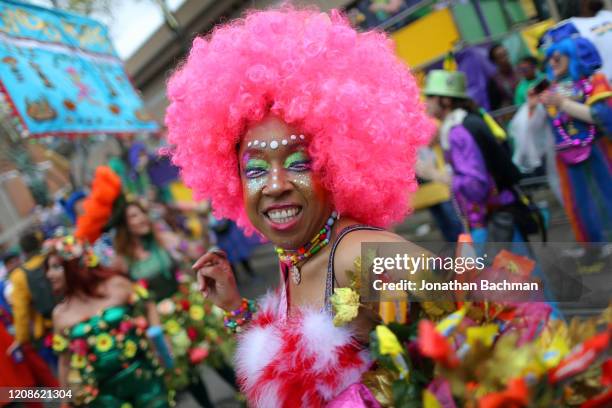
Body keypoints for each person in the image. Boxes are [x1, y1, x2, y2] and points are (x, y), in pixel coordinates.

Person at [165, 7, 437, 407]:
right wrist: (235, 309)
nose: (275, 186)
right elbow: (300, 372)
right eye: (255, 170)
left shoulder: (357, 254)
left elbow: (495, 319)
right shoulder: (296, 254)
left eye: (298, 163)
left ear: (334, 163)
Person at [112, 201, 236, 407]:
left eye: (142, 213)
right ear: (124, 225)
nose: (142, 218)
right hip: (160, 321)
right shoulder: (122, 261)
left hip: (188, 308)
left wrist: (203, 222)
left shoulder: (164, 240)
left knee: (215, 358)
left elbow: (196, 251)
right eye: (134, 216)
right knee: (187, 372)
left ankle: (248, 397)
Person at [45, 234, 170, 407]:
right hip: (105, 397)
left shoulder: (115, 285)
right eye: (48, 268)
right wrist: (65, 401)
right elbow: (65, 362)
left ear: (75, 265)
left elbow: (148, 304)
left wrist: (159, 342)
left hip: (145, 379)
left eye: (56, 267)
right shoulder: (60, 314)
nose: (49, 274)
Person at [529, 34, 612, 242]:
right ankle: (595, 246)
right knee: (580, 202)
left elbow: (601, 115)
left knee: (607, 193)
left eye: (558, 57)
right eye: (549, 59)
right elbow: (533, 128)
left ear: (573, 56)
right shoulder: (549, 88)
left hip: (598, 149)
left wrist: (564, 104)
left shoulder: (594, 80)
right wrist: (531, 107)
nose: (552, 63)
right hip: (567, 157)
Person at [7, 230, 58, 385]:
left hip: (47, 330)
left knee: (62, 370)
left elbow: (21, 313)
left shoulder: (18, 276)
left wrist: (22, 339)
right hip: (72, 317)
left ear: (23, 251)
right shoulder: (52, 259)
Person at [488, 44, 520, 110]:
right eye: (500, 56)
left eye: (506, 54)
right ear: (495, 61)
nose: (505, 58)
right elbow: (495, 106)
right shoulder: (494, 81)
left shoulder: (520, 71)